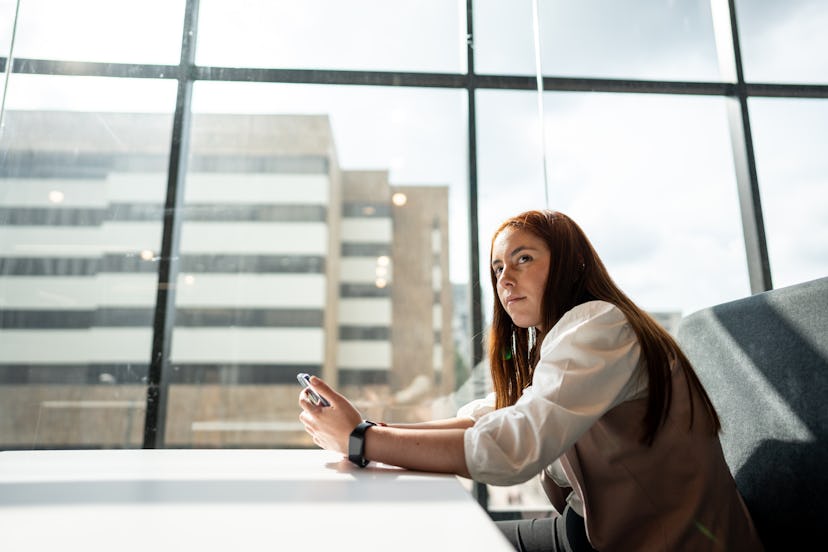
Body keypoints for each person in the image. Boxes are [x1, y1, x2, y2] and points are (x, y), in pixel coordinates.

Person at [299, 209, 763, 551]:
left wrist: (361, 441)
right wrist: (367, 433)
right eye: (499, 268)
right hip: (593, 532)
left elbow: (510, 448)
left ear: (572, 265)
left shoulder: (601, 326)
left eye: (523, 259)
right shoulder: (565, 340)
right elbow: (490, 422)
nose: (505, 279)